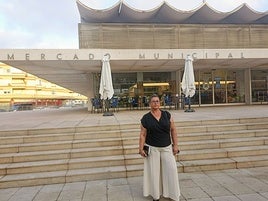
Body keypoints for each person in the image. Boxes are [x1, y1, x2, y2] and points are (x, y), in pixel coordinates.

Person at [139, 94, 180, 201]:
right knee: (154, 173)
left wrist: (175, 145)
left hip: (166, 147)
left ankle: (173, 194)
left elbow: (173, 130)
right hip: (152, 148)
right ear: (149, 104)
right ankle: (156, 196)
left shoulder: (167, 115)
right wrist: (140, 149)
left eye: (157, 101)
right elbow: (142, 134)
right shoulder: (146, 118)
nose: (155, 103)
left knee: (171, 170)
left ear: (160, 103)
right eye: (153, 101)